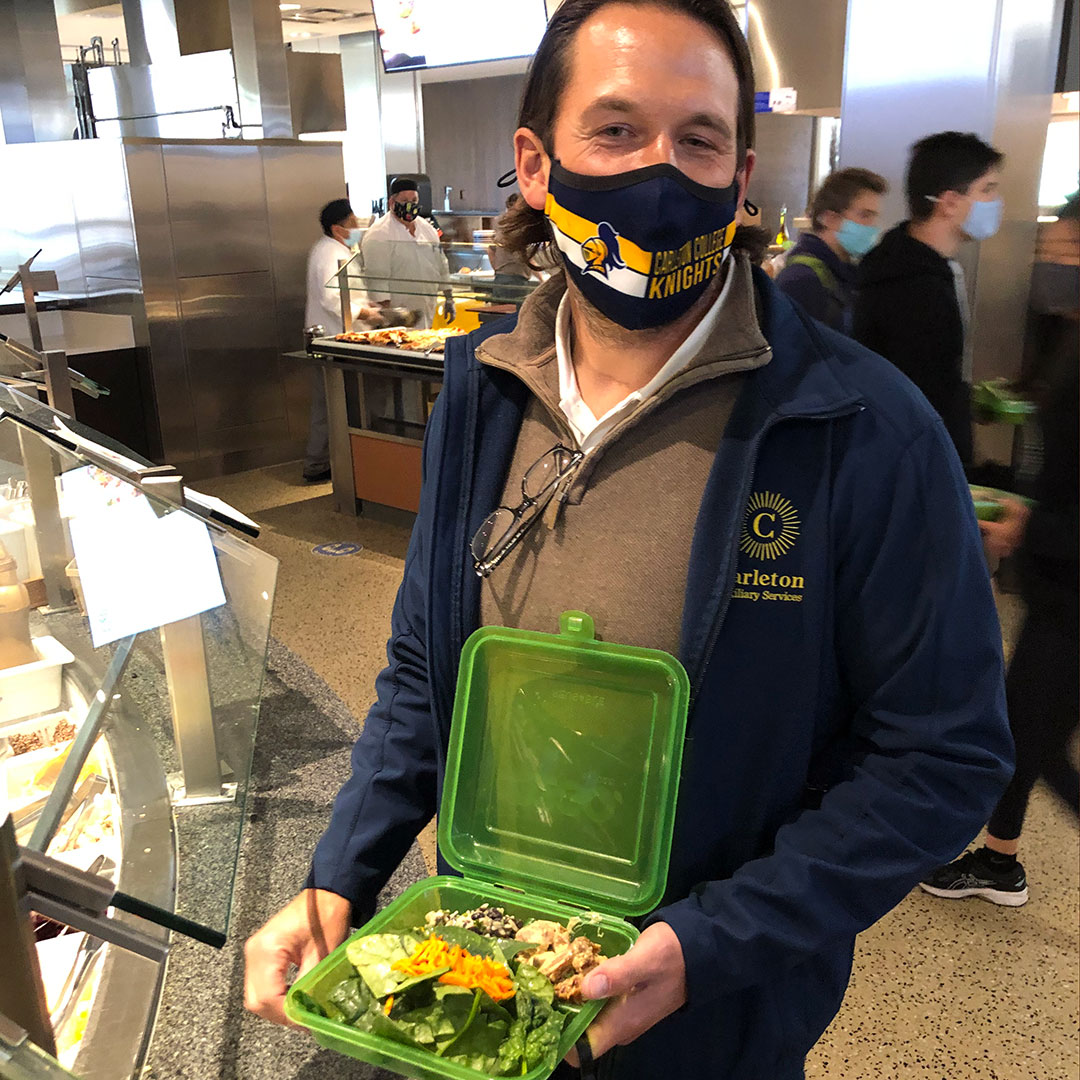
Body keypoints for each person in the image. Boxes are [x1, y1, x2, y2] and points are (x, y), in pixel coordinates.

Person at [245, 5, 1011, 1078]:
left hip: (711, 1019)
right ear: (536, 164)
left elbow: (942, 754)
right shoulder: (482, 395)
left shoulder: (862, 429)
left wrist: (711, 945)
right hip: (484, 973)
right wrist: (342, 871)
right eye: (615, 131)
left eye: (698, 139)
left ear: (741, 180)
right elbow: (425, 672)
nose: (661, 173)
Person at [921, 194, 1079, 908]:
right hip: (1056, 582)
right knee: (1029, 728)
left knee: (1034, 736)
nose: (1053, 263)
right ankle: (999, 859)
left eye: (1068, 252)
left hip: (1071, 588)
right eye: (1051, 249)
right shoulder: (1066, 333)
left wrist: (1030, 527)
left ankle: (998, 860)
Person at [853, 131, 1004, 466]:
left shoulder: (921, 267)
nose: (996, 201)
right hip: (913, 465)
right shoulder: (911, 288)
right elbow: (920, 397)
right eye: (987, 189)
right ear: (948, 202)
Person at [302, 198, 372, 483]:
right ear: (337, 228)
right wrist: (367, 313)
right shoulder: (330, 253)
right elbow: (332, 299)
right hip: (332, 338)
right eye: (352, 223)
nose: (357, 228)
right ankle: (318, 463)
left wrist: (369, 305)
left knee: (331, 403)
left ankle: (328, 461)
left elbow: (348, 292)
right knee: (330, 404)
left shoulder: (336, 249)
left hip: (340, 336)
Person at [775, 167, 887, 333]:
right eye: (865, 215)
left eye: (874, 216)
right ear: (830, 219)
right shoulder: (801, 281)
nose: (873, 226)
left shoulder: (846, 276)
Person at [361, 177, 454, 329]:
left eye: (414, 200)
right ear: (392, 202)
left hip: (427, 307)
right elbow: (377, 280)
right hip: (399, 315)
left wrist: (449, 297)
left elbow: (441, 263)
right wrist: (387, 315)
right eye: (404, 201)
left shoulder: (427, 228)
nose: (410, 205)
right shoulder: (379, 233)